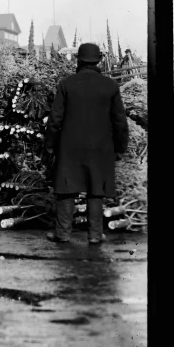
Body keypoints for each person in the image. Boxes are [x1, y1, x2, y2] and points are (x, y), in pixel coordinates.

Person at [44, 42, 129, 245]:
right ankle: (95, 234)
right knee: (96, 188)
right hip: (100, 147)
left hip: (70, 146)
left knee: (66, 187)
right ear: (99, 61)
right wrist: (120, 148)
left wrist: (50, 145)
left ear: (79, 61)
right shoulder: (110, 85)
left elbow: (55, 119)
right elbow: (120, 121)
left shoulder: (66, 84)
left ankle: (62, 234)